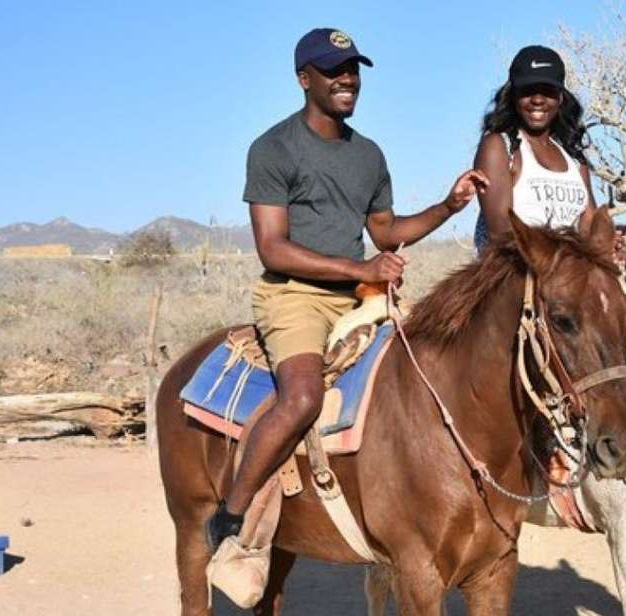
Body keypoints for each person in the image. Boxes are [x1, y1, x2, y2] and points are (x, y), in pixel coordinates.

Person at [205, 27, 488, 550]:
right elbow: (272, 247)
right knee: (305, 397)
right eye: (334, 71)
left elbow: (385, 233)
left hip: (357, 296)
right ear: (303, 79)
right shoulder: (272, 148)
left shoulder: (369, 156)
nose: (348, 80)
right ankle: (232, 514)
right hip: (294, 295)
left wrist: (450, 206)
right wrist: (362, 271)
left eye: (353, 70)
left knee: (423, 375)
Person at [472, 45, 597, 250]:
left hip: (568, 275)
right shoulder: (499, 146)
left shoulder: (574, 159)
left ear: (560, 97)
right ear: (513, 95)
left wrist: (609, 245)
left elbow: (589, 229)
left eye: (547, 91)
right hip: (515, 274)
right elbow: (501, 236)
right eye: (528, 90)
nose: (537, 100)